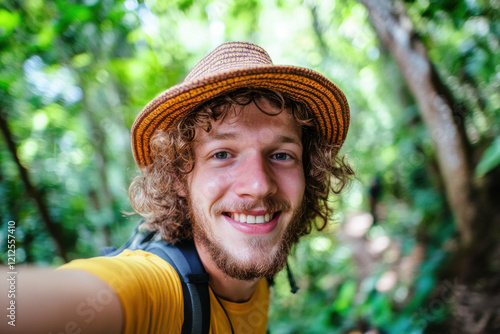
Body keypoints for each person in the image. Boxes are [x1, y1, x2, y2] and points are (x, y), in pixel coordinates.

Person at [3, 41, 352, 334]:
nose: (259, 186)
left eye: (281, 154)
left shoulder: (257, 271)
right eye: (222, 154)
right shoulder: (158, 290)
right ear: (178, 177)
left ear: (309, 172)